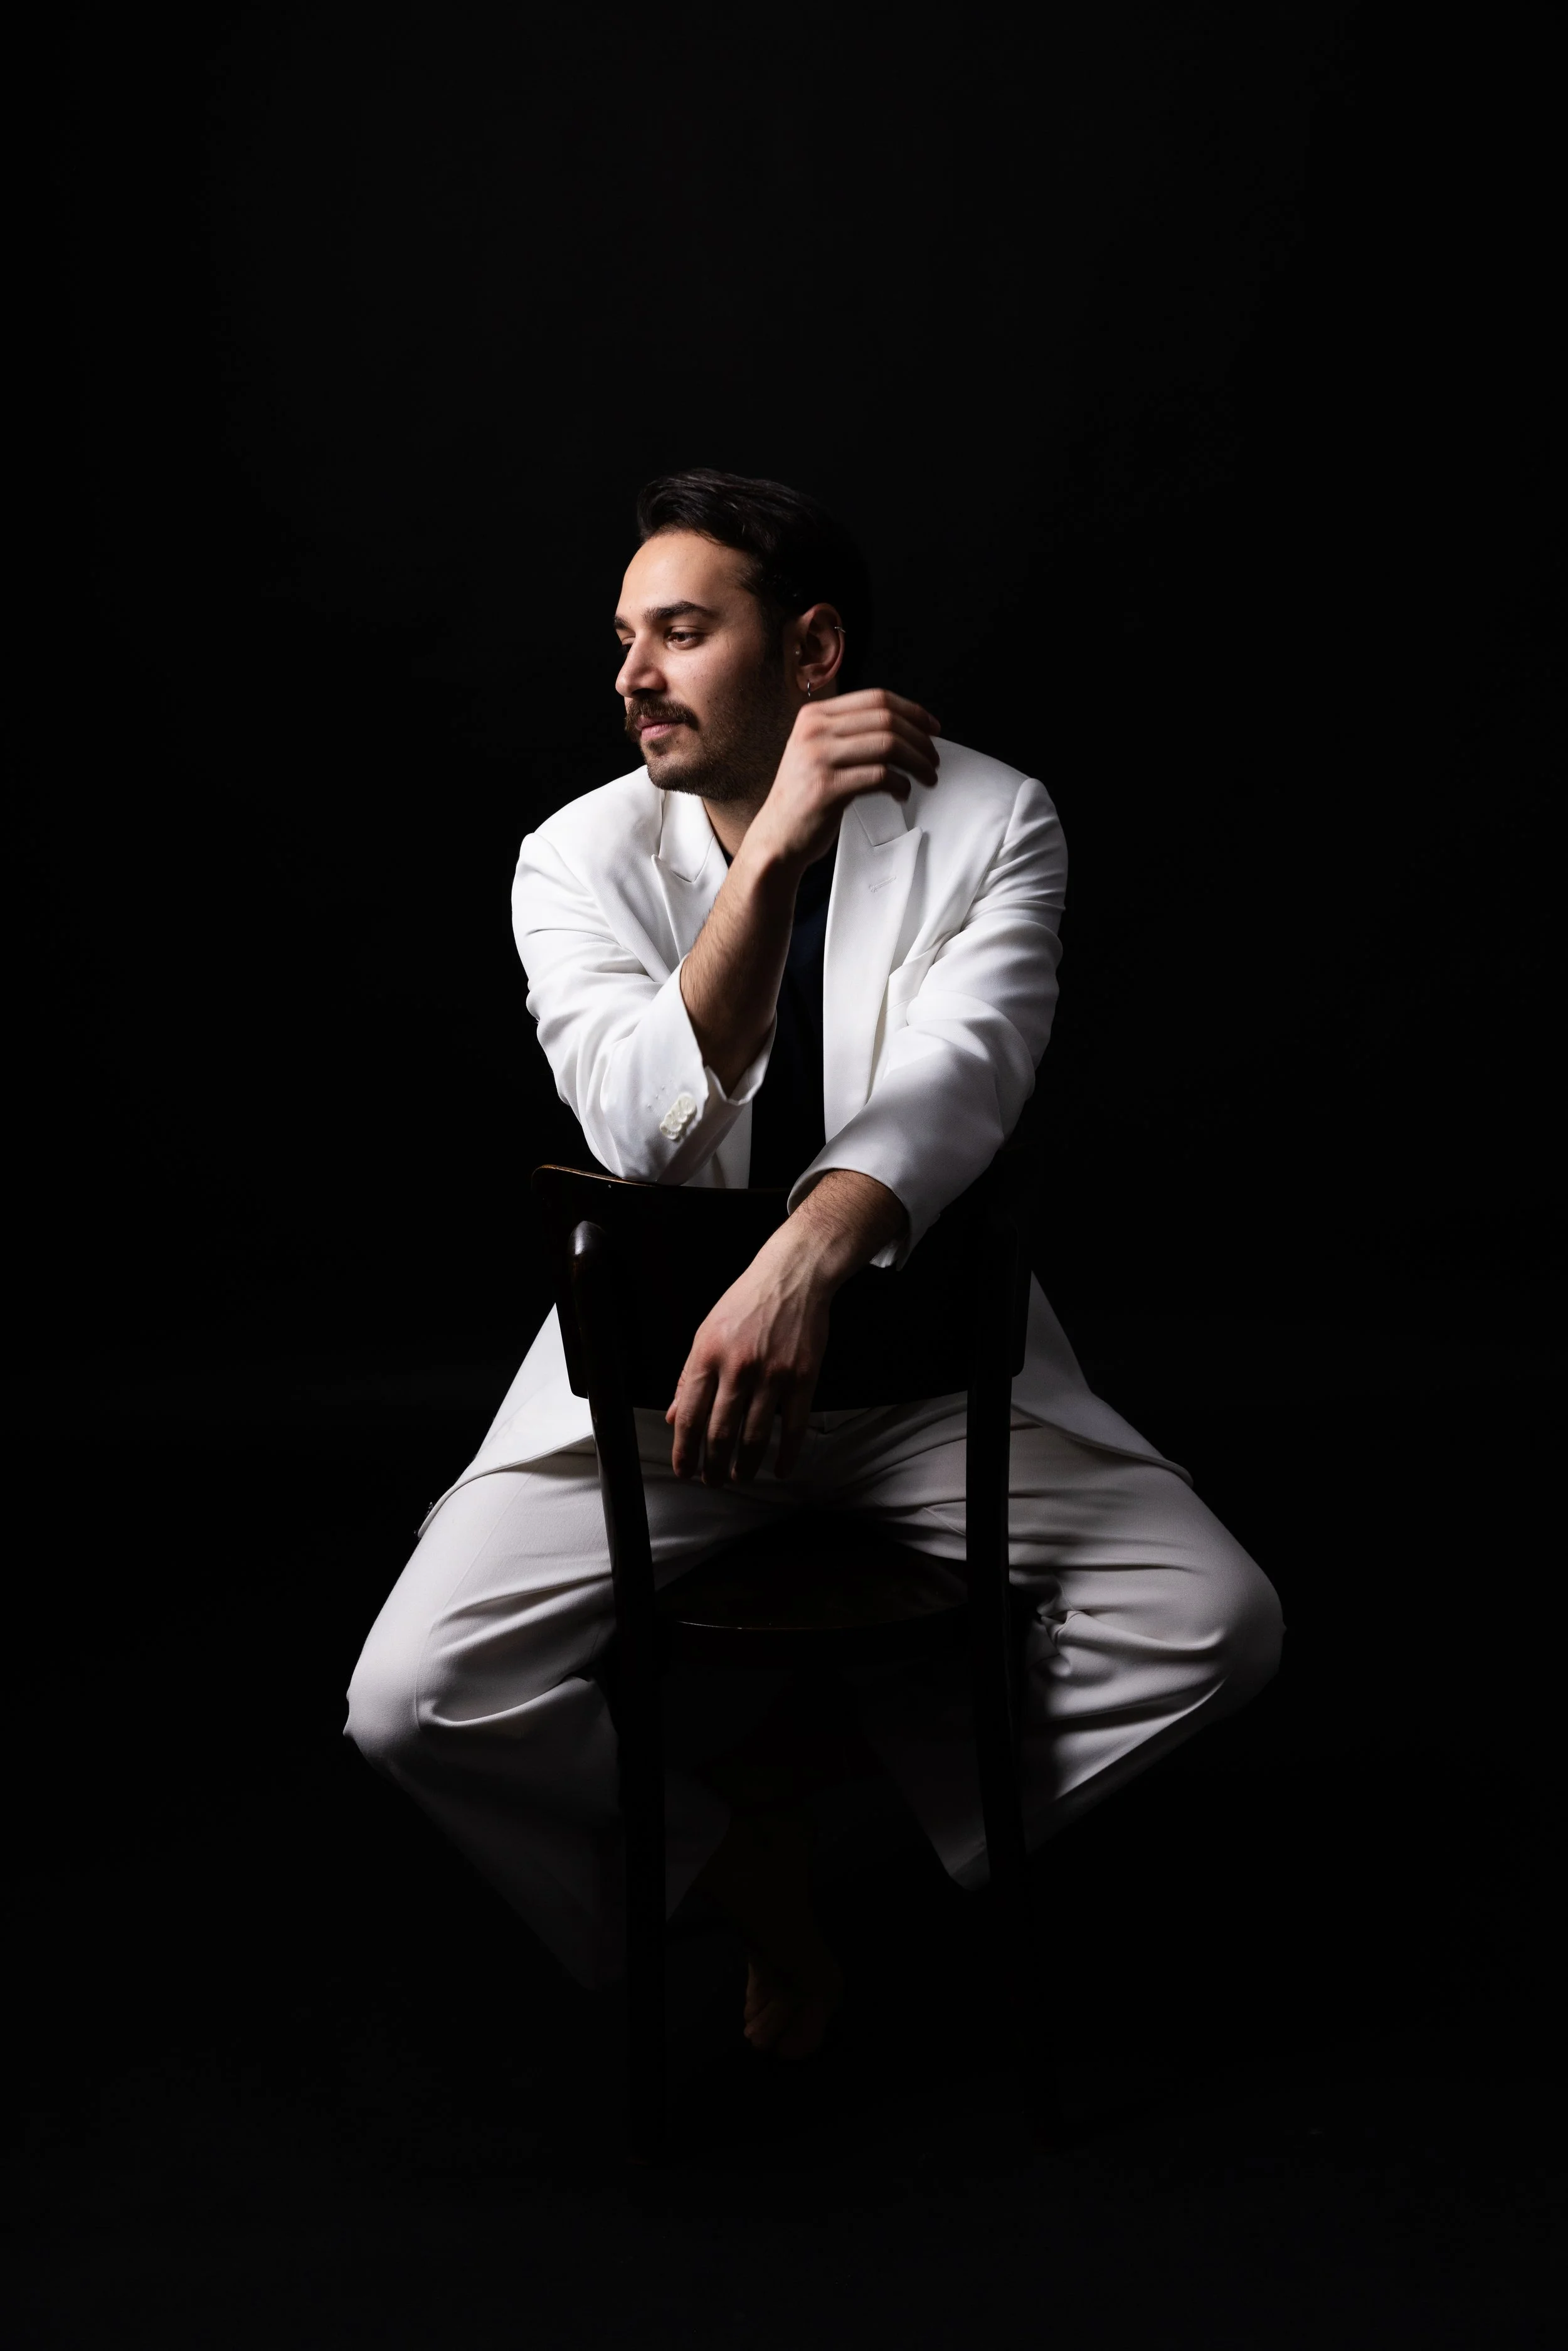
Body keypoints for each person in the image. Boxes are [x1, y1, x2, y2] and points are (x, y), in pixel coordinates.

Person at [346, 468, 1283, 2062]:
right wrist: (771, 851)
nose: (631, 672)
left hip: (920, 1381)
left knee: (1214, 1620)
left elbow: (962, 1079)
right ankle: (738, 1867)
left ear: (811, 649)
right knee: (411, 1699)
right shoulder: (570, 857)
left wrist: (796, 1266)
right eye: (625, 636)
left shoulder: (995, 817)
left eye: (683, 630)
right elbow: (642, 1128)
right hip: (648, 1393)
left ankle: (883, 1811)